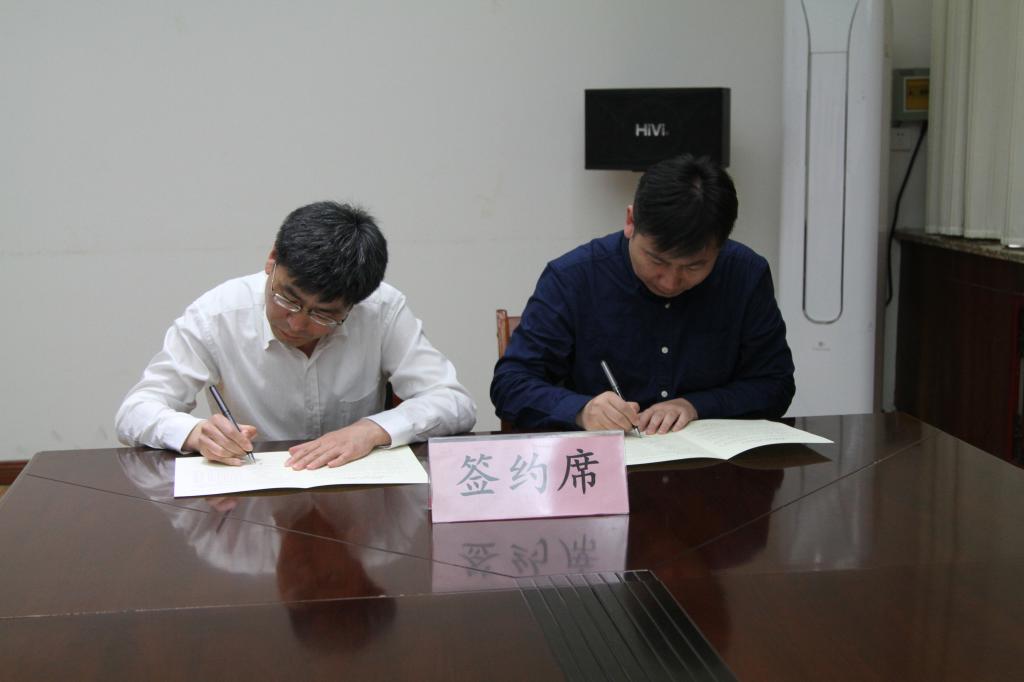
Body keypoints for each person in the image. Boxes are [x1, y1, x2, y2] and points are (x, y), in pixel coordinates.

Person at [116, 201, 476, 468]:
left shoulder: (381, 310)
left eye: (324, 314)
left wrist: (373, 429)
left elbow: (453, 402)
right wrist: (195, 433)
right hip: (253, 500)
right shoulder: (216, 316)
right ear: (272, 260)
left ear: (354, 305)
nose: (297, 323)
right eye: (287, 299)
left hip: (355, 499)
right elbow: (135, 411)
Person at [490, 154, 794, 434]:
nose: (671, 282)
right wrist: (581, 410)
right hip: (602, 464)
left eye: (694, 266)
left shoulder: (744, 274)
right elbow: (510, 383)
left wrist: (696, 405)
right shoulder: (574, 277)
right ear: (630, 221)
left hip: (712, 465)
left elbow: (775, 384)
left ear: (722, 244)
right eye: (657, 260)